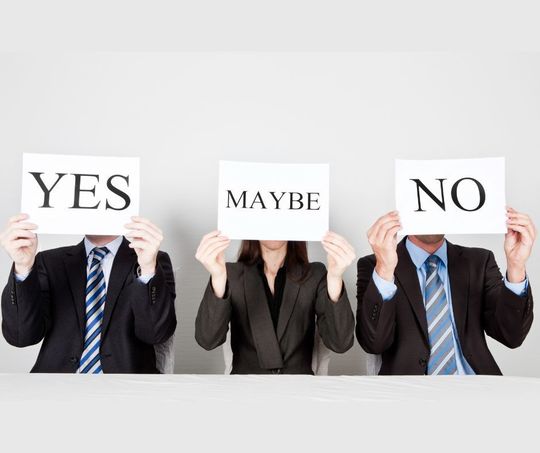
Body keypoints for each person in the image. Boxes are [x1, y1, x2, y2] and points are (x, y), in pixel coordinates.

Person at [356, 207, 535, 375]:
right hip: (411, 390)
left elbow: (511, 336)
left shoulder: (479, 261)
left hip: (476, 384)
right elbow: (374, 343)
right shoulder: (375, 266)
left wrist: (516, 266)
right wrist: (385, 269)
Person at [0, 213, 176, 373]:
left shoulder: (152, 260)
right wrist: (23, 267)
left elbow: (155, 334)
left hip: (126, 386)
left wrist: (147, 268)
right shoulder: (48, 261)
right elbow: (20, 337)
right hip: (56, 385)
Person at [194, 231, 355, 374]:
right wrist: (218, 277)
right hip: (245, 389)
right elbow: (207, 340)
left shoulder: (315, 274)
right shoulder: (231, 274)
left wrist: (335, 277)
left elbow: (340, 343)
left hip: (299, 390)